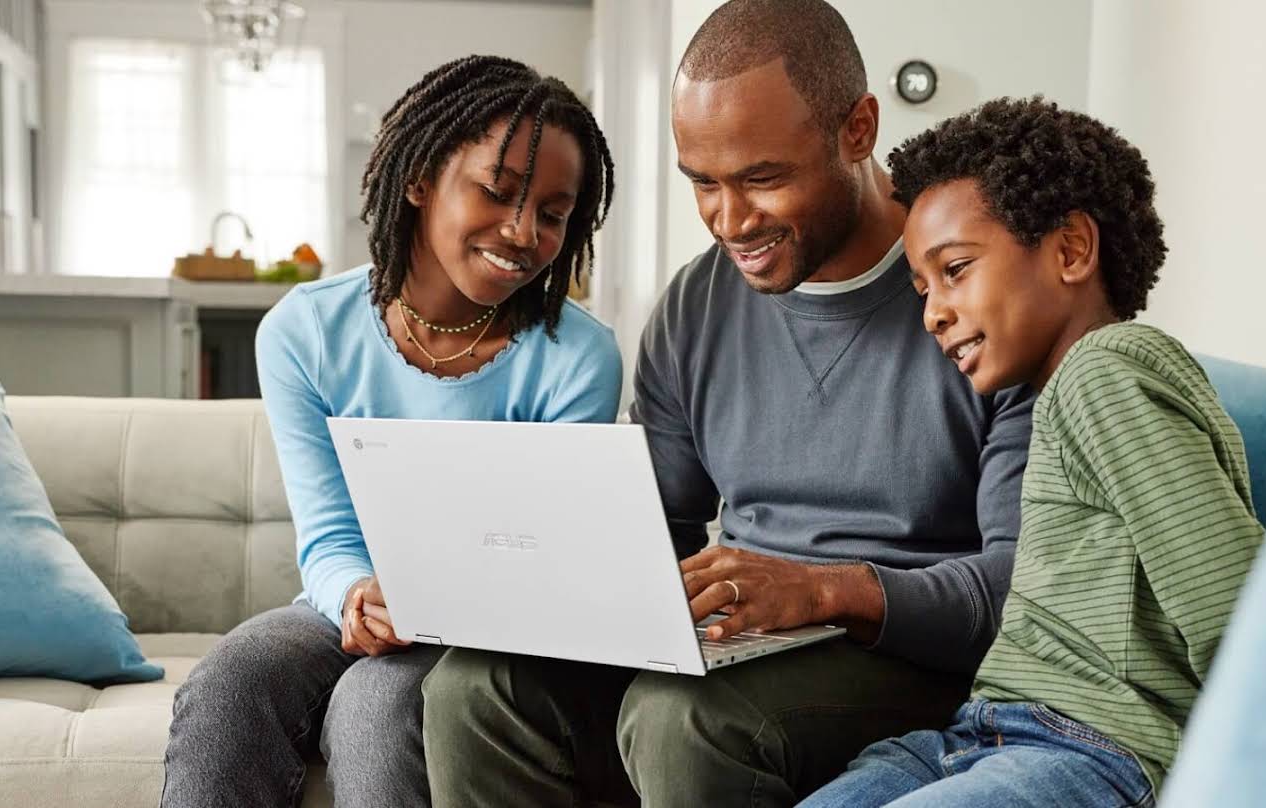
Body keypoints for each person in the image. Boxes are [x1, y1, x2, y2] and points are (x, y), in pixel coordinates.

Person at [420, 3, 1034, 806]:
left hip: (912, 653)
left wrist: (821, 591)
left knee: (684, 715)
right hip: (741, 648)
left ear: (858, 129)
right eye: (703, 184)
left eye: (763, 179)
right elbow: (656, 527)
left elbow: (1023, 585)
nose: (729, 221)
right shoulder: (697, 306)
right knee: (476, 688)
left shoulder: (982, 290)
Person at [160, 55, 621, 808]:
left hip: (484, 630)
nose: (522, 231)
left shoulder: (579, 357)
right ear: (418, 178)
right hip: (351, 601)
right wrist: (356, 598)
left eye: (553, 212)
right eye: (498, 192)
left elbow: (540, 560)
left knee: (376, 708)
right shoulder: (303, 332)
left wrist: (440, 602)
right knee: (233, 677)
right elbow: (328, 536)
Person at [799, 96, 1266, 808]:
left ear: (1071, 250)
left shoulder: (1103, 371)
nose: (932, 313)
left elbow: (1231, 609)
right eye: (923, 289)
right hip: (975, 738)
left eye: (955, 270)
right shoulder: (1061, 397)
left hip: (1090, 747)